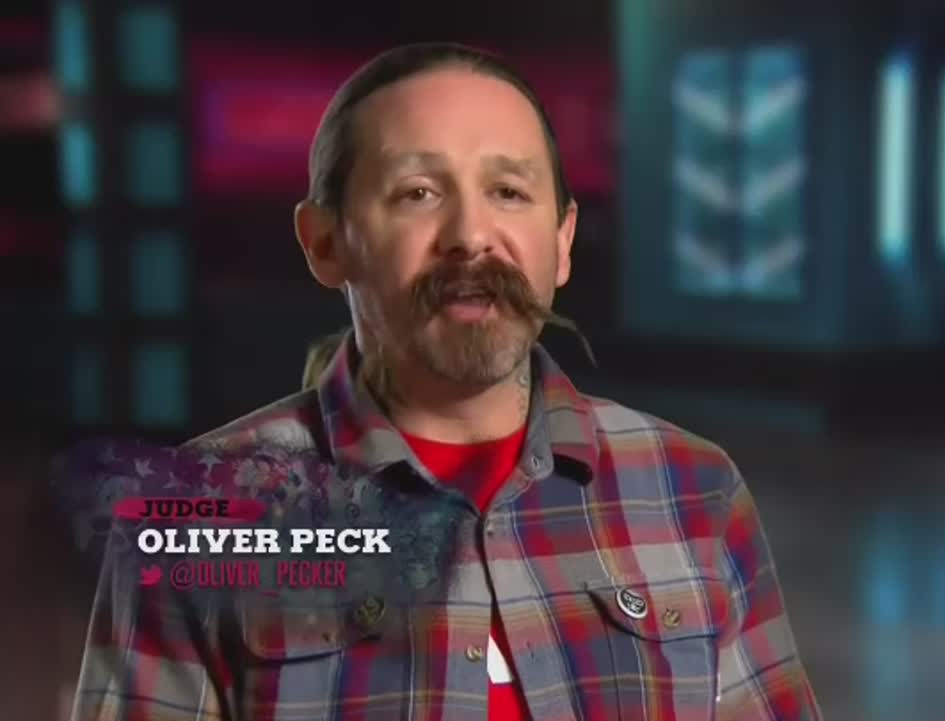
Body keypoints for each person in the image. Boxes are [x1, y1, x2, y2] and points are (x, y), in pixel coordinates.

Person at [71, 42, 822, 721]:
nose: (470, 236)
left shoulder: (694, 490)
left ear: (562, 241)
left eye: (509, 192)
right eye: (418, 193)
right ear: (325, 243)